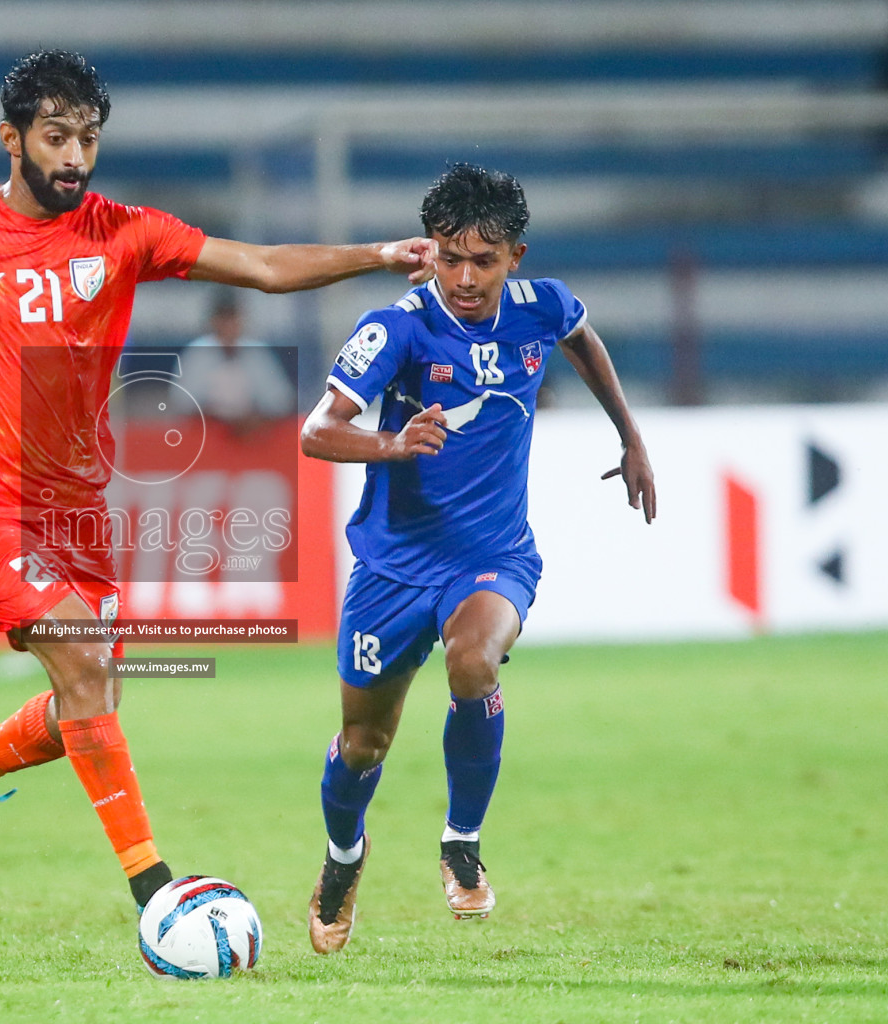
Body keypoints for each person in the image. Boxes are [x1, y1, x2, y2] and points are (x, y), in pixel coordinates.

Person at [0, 49, 437, 911]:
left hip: (77, 513)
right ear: (11, 140)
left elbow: (266, 268)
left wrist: (381, 253)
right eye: (57, 138)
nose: (75, 158)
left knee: (90, 695)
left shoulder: (124, 232)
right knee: (87, 667)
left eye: (88, 139)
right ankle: (158, 896)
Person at [298, 164, 656, 952]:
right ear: (429, 254)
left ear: (515, 257)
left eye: (483, 261)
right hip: (391, 569)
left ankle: (461, 842)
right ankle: (343, 856)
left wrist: (629, 437)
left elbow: (583, 340)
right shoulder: (397, 329)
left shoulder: (543, 307)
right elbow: (315, 432)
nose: (464, 278)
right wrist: (391, 443)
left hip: (493, 557)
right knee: (363, 744)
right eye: (450, 258)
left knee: (474, 663)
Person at [177, 291, 296, 435]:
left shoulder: (256, 352)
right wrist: (226, 418)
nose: (228, 325)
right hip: (207, 437)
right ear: (213, 321)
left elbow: (280, 401)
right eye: (223, 318)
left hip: (250, 440)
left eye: (232, 318)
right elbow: (183, 403)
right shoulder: (198, 353)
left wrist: (252, 418)